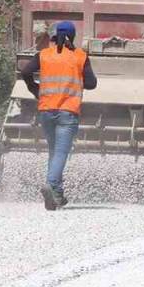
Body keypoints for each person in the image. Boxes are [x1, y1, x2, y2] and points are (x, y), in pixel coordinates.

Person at [20, 21, 97, 211]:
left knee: (54, 152)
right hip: (68, 113)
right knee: (62, 153)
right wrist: (76, 80)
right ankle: (52, 184)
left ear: (53, 36)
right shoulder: (80, 56)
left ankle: (57, 195)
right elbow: (92, 83)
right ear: (73, 36)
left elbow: (25, 71)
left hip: (46, 111)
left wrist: (34, 89)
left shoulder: (43, 55)